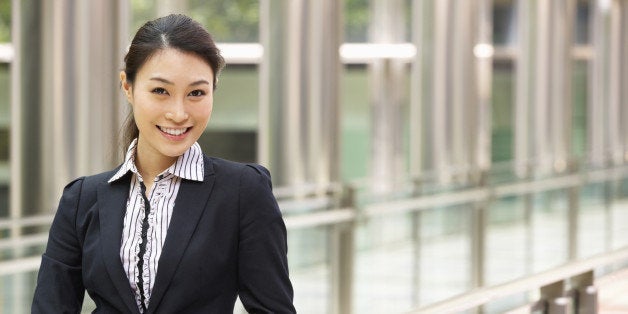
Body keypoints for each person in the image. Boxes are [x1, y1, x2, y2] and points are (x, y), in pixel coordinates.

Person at [32, 14, 295, 313]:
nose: (179, 113)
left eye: (196, 93)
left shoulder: (244, 192)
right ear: (128, 87)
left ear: (213, 89)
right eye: (160, 91)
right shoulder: (81, 199)